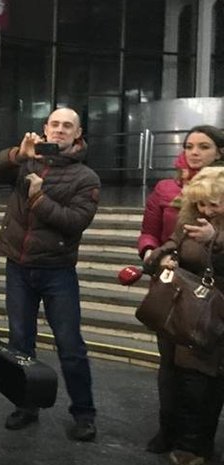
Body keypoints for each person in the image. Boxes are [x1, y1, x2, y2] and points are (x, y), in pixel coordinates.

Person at [0, 107, 100, 441]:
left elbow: (74, 221)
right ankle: (26, 405)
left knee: (70, 346)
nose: (60, 130)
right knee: (20, 343)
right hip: (19, 267)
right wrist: (16, 154)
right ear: (45, 129)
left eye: (68, 126)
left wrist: (38, 197)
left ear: (78, 134)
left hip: (57, 270)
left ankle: (84, 413)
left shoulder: (86, 177)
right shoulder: (27, 161)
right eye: (55, 124)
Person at [137, 125, 224, 455]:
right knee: (170, 369)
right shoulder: (177, 192)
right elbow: (167, 238)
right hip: (178, 295)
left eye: (204, 146)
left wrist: (214, 241)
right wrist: (159, 256)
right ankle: (169, 432)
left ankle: (195, 445)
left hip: (214, 305)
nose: (194, 152)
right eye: (189, 146)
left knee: (203, 380)